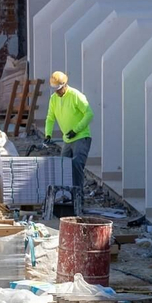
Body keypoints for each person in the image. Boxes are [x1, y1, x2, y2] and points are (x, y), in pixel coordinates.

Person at [44, 70, 94, 214]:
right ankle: (66, 199)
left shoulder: (75, 95)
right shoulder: (54, 99)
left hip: (81, 137)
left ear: (65, 84)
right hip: (68, 139)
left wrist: (76, 129)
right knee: (64, 167)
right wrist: (48, 134)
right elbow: (50, 118)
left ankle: (79, 201)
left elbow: (89, 114)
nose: (57, 92)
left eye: (59, 89)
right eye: (55, 89)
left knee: (76, 165)